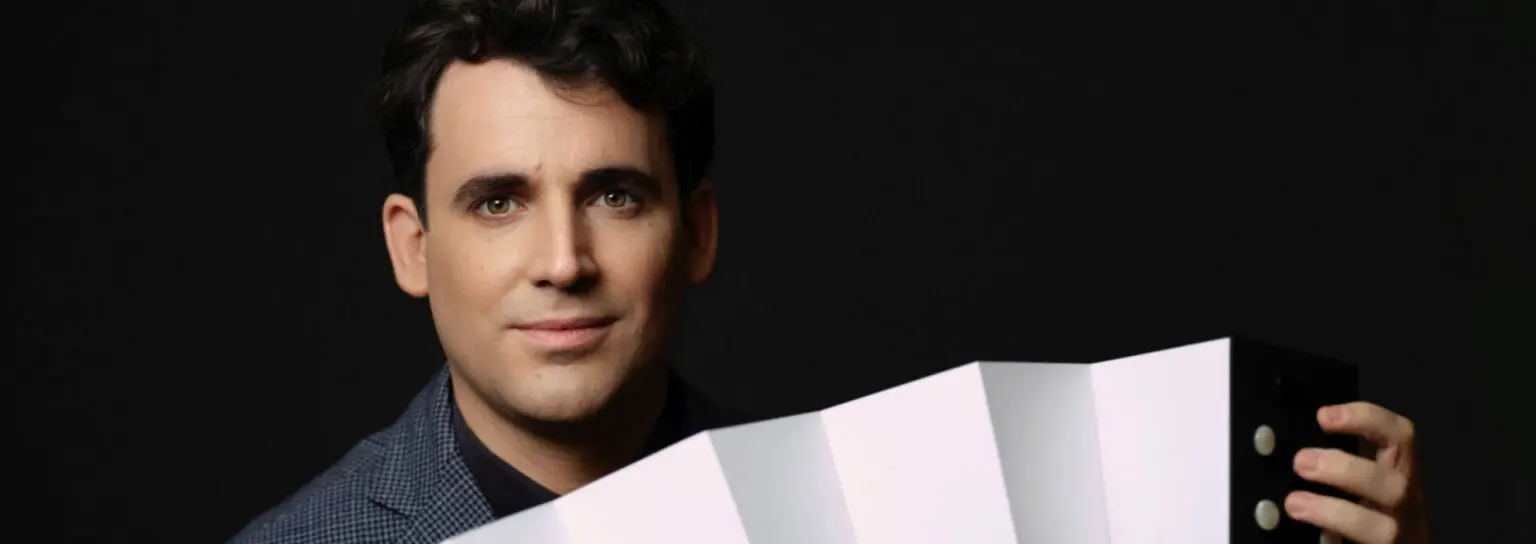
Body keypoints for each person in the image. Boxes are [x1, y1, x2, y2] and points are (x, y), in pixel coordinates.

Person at [232, 1, 1431, 543]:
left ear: (698, 231)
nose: (563, 261)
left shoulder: (867, 515)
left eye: (616, 194)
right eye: (499, 201)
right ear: (412, 244)